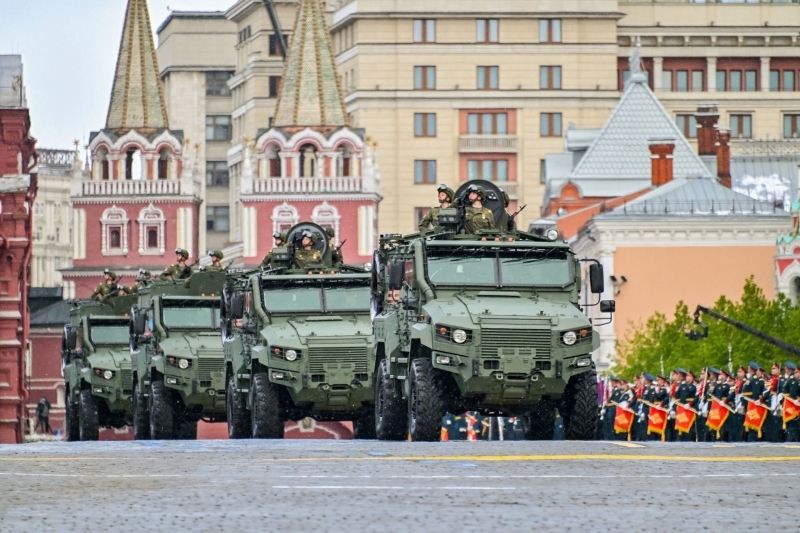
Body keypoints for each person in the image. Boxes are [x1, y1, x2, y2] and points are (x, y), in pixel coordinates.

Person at [783, 363, 800, 442]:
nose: (786, 370)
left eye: (787, 369)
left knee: (792, 424)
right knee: (791, 425)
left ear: (789, 370)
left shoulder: (792, 379)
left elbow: (792, 393)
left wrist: (794, 400)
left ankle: (792, 440)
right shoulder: (789, 379)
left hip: (792, 404)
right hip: (789, 403)